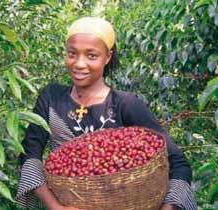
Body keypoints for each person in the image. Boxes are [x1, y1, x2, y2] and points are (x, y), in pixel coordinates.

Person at [16, 17, 197, 210]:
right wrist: (55, 207)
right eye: (72, 53)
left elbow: (178, 163)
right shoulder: (51, 97)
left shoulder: (126, 104)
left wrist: (168, 207)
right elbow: (29, 155)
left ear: (107, 57)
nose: (79, 63)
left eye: (91, 55)